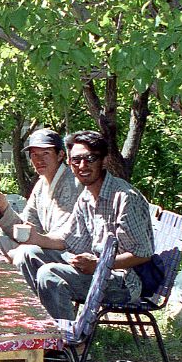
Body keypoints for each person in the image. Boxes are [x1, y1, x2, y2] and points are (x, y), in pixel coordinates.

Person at [18, 131, 157, 322]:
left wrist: (100, 264)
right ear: (69, 162)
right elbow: (68, 241)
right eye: (76, 160)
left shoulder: (125, 197)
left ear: (104, 161)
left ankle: (70, 343)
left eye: (90, 159)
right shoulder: (86, 197)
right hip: (94, 268)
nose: (82, 166)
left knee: (48, 273)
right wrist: (35, 238)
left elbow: (143, 253)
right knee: (29, 253)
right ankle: (44, 325)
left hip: (123, 281)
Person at [0, 128, 82, 277]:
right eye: (34, 155)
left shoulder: (72, 184)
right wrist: (4, 207)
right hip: (46, 245)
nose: (39, 160)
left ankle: (24, 298)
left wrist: (21, 248)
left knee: (22, 253)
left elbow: (64, 240)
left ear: (60, 155)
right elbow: (26, 226)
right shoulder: (41, 184)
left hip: (71, 255)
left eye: (45, 153)